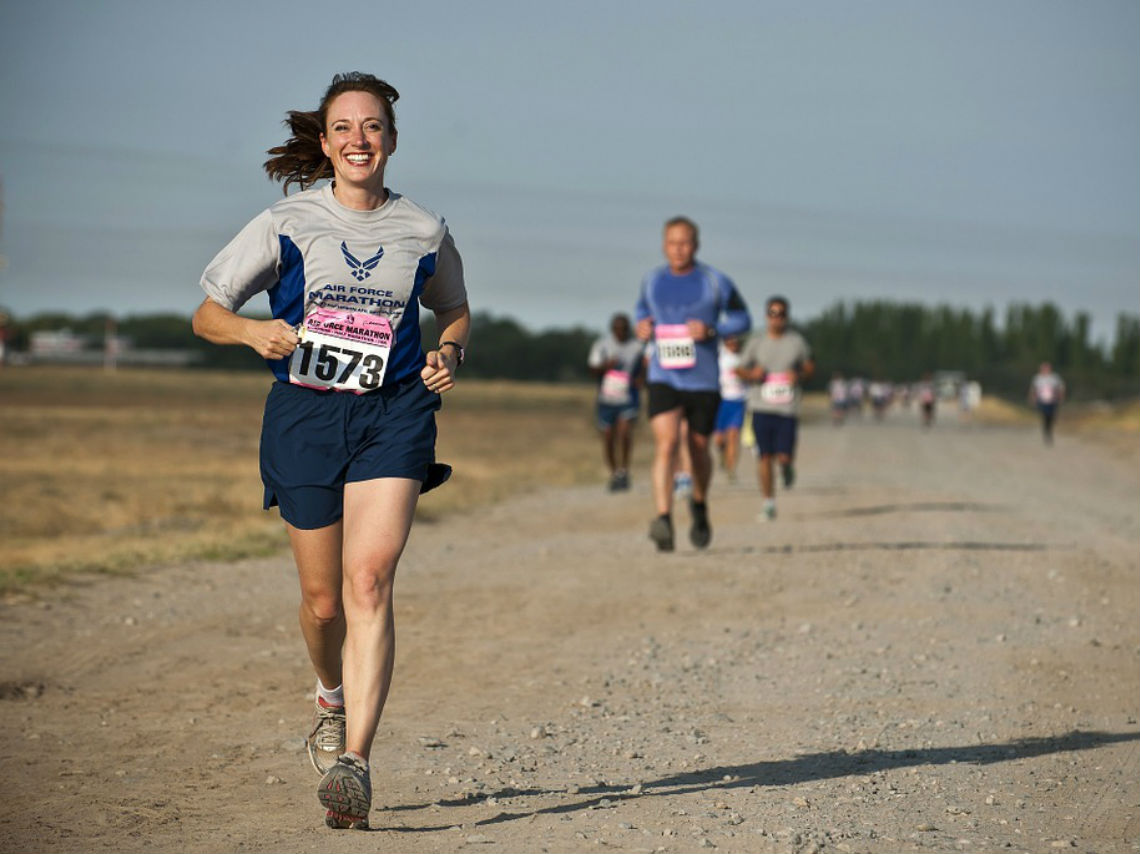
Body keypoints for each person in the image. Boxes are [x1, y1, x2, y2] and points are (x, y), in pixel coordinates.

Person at [191, 72, 470, 831]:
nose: (359, 140)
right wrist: (253, 332)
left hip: (395, 413)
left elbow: (454, 307)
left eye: (373, 126)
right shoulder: (286, 221)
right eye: (344, 127)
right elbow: (207, 313)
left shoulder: (424, 228)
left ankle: (356, 763)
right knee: (323, 604)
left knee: (370, 581)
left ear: (392, 138)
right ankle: (329, 696)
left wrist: (451, 350)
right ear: (325, 141)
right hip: (306, 416)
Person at [635, 216, 751, 551]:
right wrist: (641, 326)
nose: (678, 249)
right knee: (667, 443)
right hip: (664, 376)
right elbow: (641, 312)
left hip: (702, 380)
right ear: (663, 245)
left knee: (698, 449)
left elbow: (743, 318)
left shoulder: (715, 281)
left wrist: (713, 330)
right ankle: (663, 519)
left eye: (685, 243)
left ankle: (699, 505)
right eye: (672, 243)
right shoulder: (652, 280)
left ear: (696, 246)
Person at [738, 296, 814, 521]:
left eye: (781, 313)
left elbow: (810, 366)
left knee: (783, 456)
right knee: (764, 456)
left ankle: (787, 467)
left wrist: (799, 375)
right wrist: (752, 374)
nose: (776, 318)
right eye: (772, 313)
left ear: (787, 317)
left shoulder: (796, 342)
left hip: (787, 409)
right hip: (760, 406)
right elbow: (739, 369)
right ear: (766, 315)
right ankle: (768, 502)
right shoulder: (756, 342)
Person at [587, 313, 645, 490]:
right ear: (612, 329)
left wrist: (641, 379)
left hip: (628, 398)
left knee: (625, 432)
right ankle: (614, 473)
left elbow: (646, 366)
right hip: (606, 399)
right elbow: (592, 369)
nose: (621, 332)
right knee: (608, 437)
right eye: (618, 329)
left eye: (624, 329)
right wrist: (606, 366)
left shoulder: (637, 346)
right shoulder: (601, 345)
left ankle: (624, 470)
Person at [712, 335, 748, 482]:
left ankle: (731, 469)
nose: (733, 343)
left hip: (738, 401)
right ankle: (722, 453)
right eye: (730, 340)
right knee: (719, 439)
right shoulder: (719, 355)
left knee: (733, 436)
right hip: (721, 400)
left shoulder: (745, 357)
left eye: (736, 340)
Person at [1029, 362, 1065, 445]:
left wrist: (1061, 396)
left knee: (1051, 417)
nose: (1045, 370)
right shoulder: (1037, 378)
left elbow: (1061, 387)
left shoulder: (1055, 377)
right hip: (1041, 400)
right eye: (1044, 368)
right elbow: (1033, 389)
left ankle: (1049, 429)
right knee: (1045, 415)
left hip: (1053, 400)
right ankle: (1046, 432)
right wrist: (1032, 397)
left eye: (1047, 368)